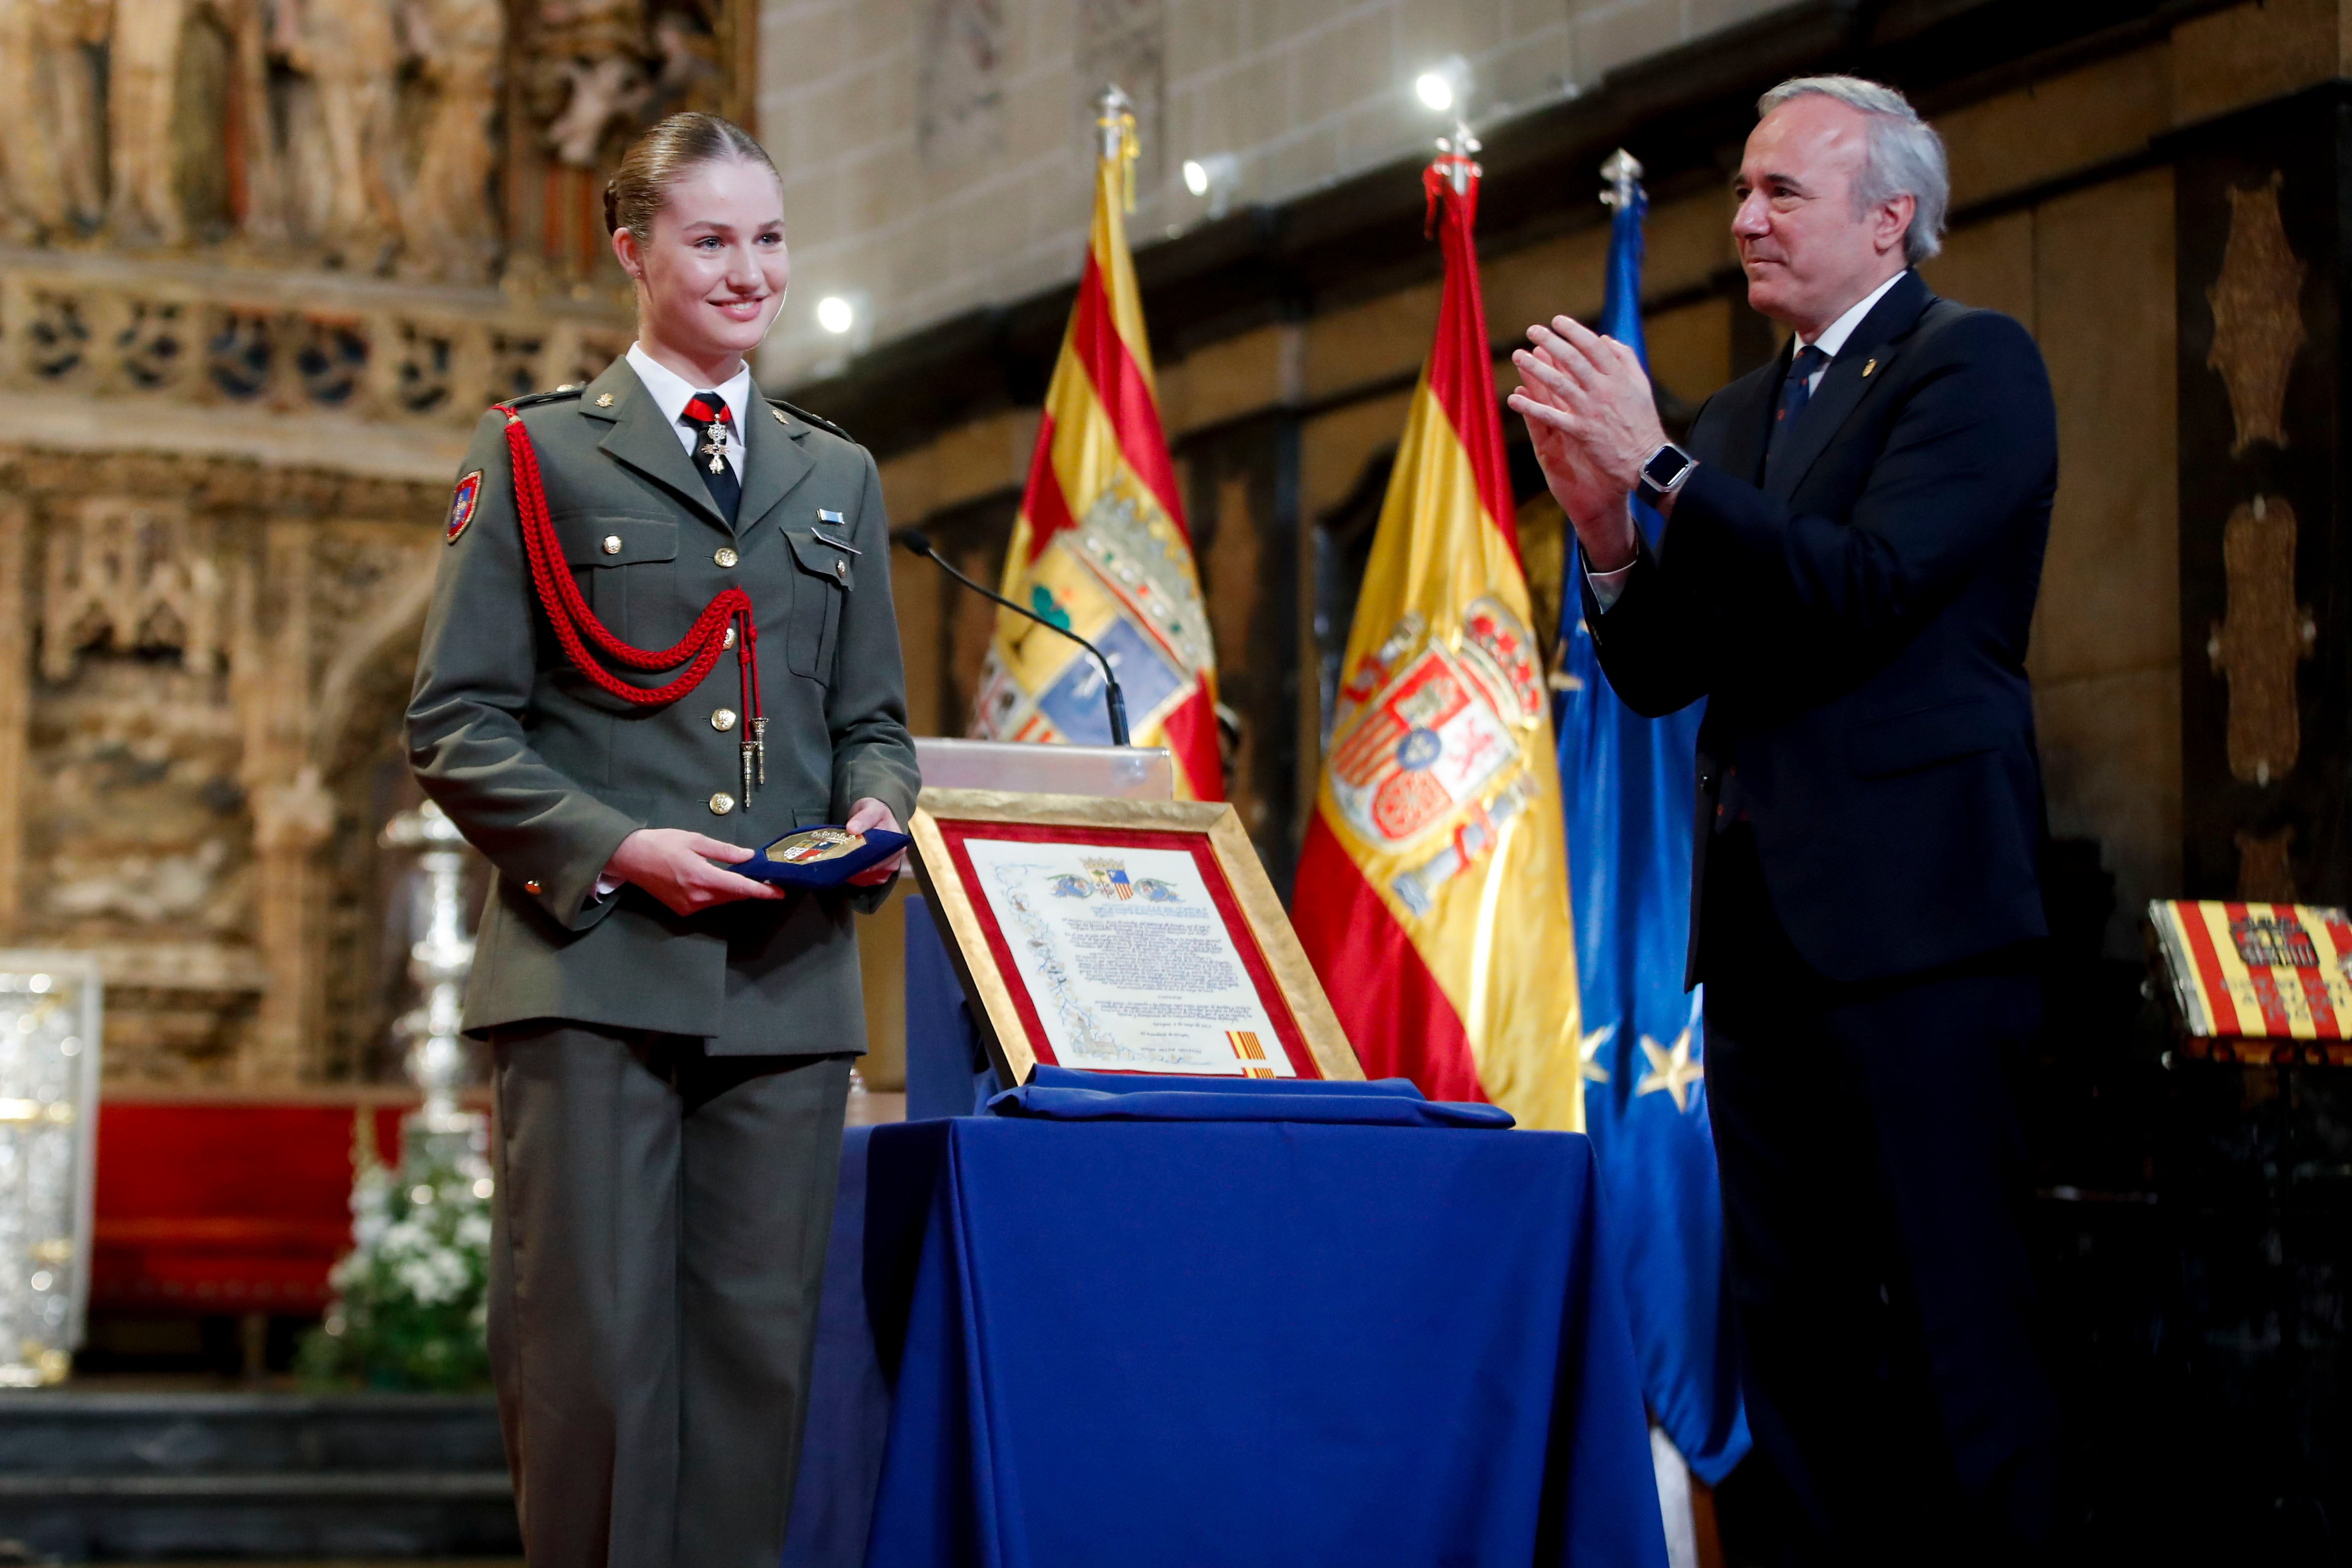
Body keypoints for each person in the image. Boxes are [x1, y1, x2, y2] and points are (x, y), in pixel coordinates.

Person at [1509, 76, 2061, 1562]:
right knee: (1798, 1360)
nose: (1743, 218)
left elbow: (1866, 587)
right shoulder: (1749, 408)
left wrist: (1663, 468)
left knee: (1963, 1352)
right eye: (1741, 190)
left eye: (1781, 194)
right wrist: (1611, 538)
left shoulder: (1973, 367)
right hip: (1757, 951)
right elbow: (1666, 669)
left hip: (1925, 942)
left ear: (1889, 218)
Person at [405, 111, 919, 1568]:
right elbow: (455, 721)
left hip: (784, 979)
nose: (750, 270)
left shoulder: (836, 475)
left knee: (757, 1375)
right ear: (632, 250)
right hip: (594, 971)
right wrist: (622, 849)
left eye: (768, 236)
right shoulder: (535, 454)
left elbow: (872, 719)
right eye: (711, 238)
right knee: (596, 1372)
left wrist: (882, 806)